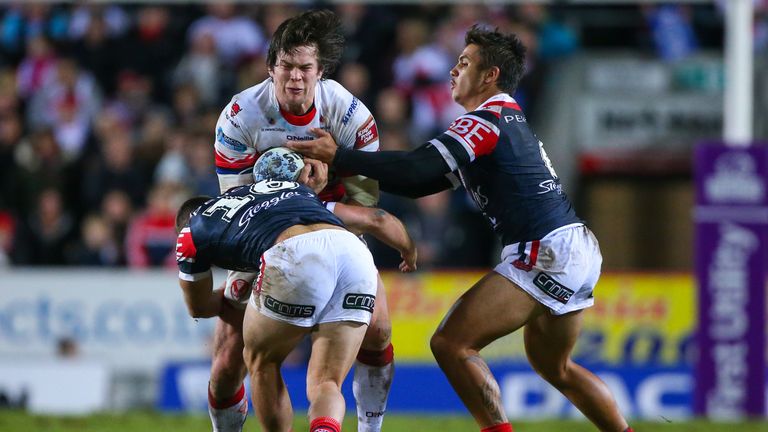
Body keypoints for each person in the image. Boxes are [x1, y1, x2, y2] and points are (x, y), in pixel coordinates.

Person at [288, 25, 633, 432]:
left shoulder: (486, 121)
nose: (453, 70)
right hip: (573, 246)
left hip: (546, 249)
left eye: (464, 63)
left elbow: (418, 170)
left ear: (490, 77)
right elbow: (424, 184)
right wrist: (344, 168)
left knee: (451, 343)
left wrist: (341, 155)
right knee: (555, 367)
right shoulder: (504, 119)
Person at [208, 10, 396, 432]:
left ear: (320, 71)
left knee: (380, 331)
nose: (295, 77)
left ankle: (370, 428)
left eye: (304, 68)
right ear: (270, 66)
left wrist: (330, 179)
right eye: (286, 67)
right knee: (226, 360)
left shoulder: (351, 117)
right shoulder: (240, 117)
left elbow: (365, 203)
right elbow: (236, 206)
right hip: (259, 236)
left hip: (334, 230)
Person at [175, 155, 415, 432]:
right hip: (353, 253)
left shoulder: (192, 231)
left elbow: (200, 307)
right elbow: (374, 218)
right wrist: (408, 249)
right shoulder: (279, 188)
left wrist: (238, 293)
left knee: (261, 361)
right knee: (326, 382)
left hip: (294, 256)